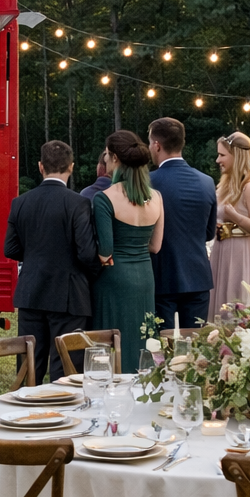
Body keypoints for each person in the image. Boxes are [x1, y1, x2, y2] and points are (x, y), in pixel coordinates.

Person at [4, 140, 99, 381]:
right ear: (71, 167)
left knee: (29, 366)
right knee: (67, 368)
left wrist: (36, 255)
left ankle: (28, 404)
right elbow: (86, 253)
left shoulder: (20, 202)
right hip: (69, 295)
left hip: (31, 292)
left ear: (40, 166)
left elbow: (10, 248)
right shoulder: (78, 203)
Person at [91, 131, 163, 372]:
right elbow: (155, 246)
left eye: (106, 154)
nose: (105, 159)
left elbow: (105, 251)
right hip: (145, 277)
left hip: (114, 278)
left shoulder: (104, 199)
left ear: (115, 158)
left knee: (113, 339)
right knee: (142, 337)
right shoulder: (156, 197)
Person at [147, 117, 219, 331]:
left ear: (157, 145)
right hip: (197, 275)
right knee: (196, 344)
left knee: (160, 344)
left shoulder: (148, 182)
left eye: (149, 143)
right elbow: (209, 232)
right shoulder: (206, 182)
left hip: (160, 275)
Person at [210, 131, 250, 317]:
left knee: (242, 307)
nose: (217, 160)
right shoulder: (223, 188)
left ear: (236, 156)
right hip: (221, 253)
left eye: (222, 155)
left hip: (243, 255)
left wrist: (235, 217)